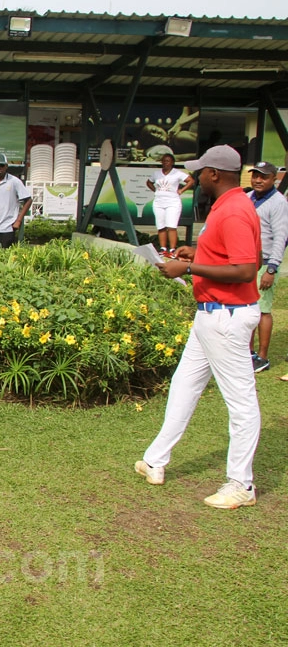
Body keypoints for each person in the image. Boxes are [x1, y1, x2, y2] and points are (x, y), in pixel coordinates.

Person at [135, 145, 262, 510]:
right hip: (211, 315)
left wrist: (189, 268)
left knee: (240, 402)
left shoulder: (235, 211)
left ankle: (242, 484)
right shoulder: (228, 206)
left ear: (214, 175)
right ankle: (156, 461)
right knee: (184, 385)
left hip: (227, 315)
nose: (195, 179)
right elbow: (226, 257)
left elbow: (244, 269)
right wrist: (197, 254)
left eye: (199, 173)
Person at [243, 162, 288, 374]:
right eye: (255, 176)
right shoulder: (249, 197)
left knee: (263, 310)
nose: (258, 180)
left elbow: (281, 237)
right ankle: (249, 352)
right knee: (249, 309)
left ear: (274, 179)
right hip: (248, 261)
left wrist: (272, 269)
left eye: (264, 177)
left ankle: (262, 356)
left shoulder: (278, 203)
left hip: (267, 262)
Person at [145, 153, 194, 256]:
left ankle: (172, 249)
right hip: (159, 202)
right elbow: (149, 182)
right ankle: (163, 249)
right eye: (164, 161)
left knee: (171, 225)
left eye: (168, 161)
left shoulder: (177, 173)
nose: (165, 163)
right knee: (161, 226)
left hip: (172, 202)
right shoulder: (156, 174)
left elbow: (190, 181)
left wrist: (181, 190)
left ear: (172, 163)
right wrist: (156, 191)